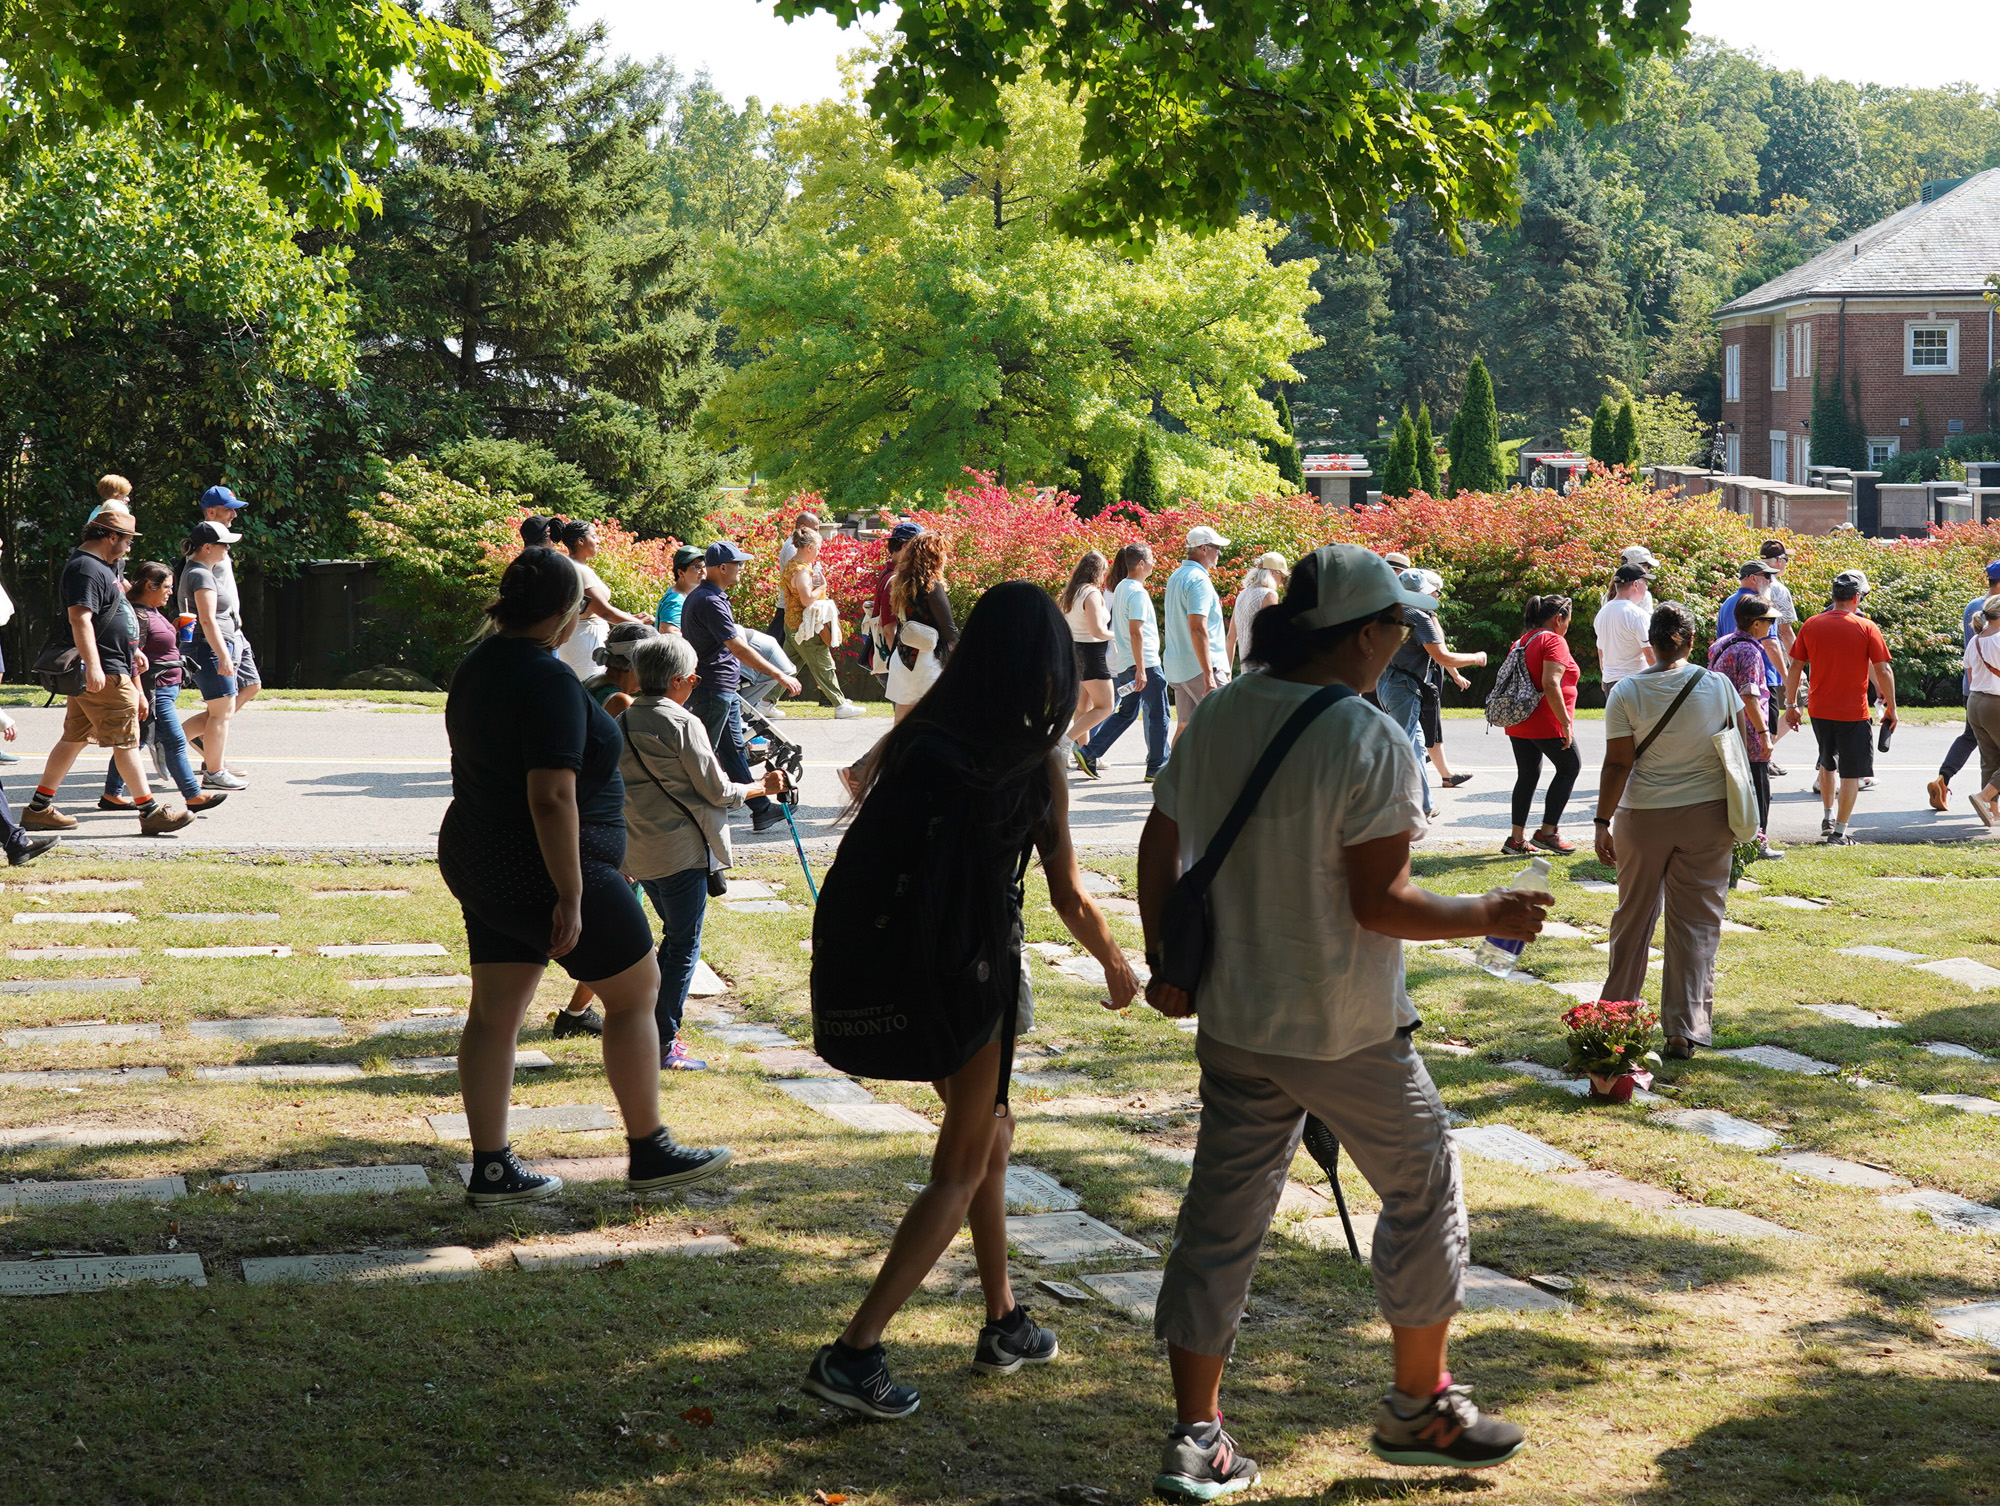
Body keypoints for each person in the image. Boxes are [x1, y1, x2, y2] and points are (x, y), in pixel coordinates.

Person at [1136, 545, 1544, 1494]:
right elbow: (1380, 902)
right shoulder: (1368, 735)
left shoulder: (1223, 709)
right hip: (1343, 1026)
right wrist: (1488, 912)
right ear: (1364, 635)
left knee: (1220, 1219)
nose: (1403, 641)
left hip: (1236, 1018)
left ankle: (1197, 1432)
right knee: (1424, 1185)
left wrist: (1166, 959)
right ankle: (1419, 1406)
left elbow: (1161, 841)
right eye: (1400, 626)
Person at [803, 582, 1140, 1420]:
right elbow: (1069, 895)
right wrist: (1115, 964)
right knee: (959, 1167)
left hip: (901, 963)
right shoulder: (1032, 760)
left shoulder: (919, 736)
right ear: (1048, 666)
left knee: (992, 1131)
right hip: (972, 976)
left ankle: (1003, 1319)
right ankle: (855, 1352)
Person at [438, 544, 731, 1205]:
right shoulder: (546, 679)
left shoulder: (480, 665)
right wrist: (571, 893)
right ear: (568, 614)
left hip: (481, 855)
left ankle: (492, 1169)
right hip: (544, 865)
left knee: (494, 1013)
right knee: (637, 993)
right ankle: (650, 1149)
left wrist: (599, 724)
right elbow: (550, 795)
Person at [622, 634, 788, 1071]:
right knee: (683, 945)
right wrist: (762, 787)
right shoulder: (682, 722)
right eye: (693, 677)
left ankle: (648, 1027)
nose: (696, 683)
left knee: (672, 937)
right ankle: (662, 1041)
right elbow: (717, 790)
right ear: (678, 680)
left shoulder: (621, 719)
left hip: (640, 850)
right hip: (681, 851)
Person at [1594, 602, 1744, 1058]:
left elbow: (1618, 763)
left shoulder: (1626, 691)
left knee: (1633, 918)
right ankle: (1684, 1029)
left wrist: (1601, 821)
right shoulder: (1719, 685)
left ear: (1652, 643)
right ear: (1692, 641)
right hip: (1708, 816)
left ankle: (1615, 1020)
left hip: (1642, 816)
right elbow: (1736, 747)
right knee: (1697, 923)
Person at [23, 514, 193, 836]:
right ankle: (150, 812)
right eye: (127, 541)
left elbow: (111, 613)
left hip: (110, 664)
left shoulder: (101, 567)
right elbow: (80, 619)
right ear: (111, 536)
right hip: (106, 671)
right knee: (127, 741)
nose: (128, 549)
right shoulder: (85, 568)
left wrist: (132, 648)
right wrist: (94, 665)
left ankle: (38, 809)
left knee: (73, 738)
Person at [682, 541, 801, 836]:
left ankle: (761, 809)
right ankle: (690, 815)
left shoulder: (708, 596)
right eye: (738, 564)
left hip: (723, 688)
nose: (741, 569)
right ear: (723, 568)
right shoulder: (709, 601)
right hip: (713, 688)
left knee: (733, 750)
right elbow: (738, 647)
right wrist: (779, 675)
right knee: (704, 754)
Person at [100, 561, 229, 816]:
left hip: (166, 687)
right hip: (154, 689)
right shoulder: (137, 616)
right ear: (150, 586)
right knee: (175, 742)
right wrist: (139, 693)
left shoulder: (152, 610)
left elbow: (158, 645)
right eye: (167, 587)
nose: (171, 592)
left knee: (135, 742)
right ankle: (193, 795)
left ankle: (111, 794)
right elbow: (132, 658)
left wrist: (175, 627)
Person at [1783, 569, 1894, 846]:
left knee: (1827, 762)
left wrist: (1791, 704)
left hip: (1819, 709)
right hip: (1853, 712)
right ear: (1856, 598)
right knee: (1852, 773)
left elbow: (1795, 666)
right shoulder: (1866, 627)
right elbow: (1883, 669)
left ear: (1833, 596)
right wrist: (1891, 707)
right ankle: (1839, 833)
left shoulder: (1811, 624)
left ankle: (1828, 815)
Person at [1376, 567, 1485, 818]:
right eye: (1430, 593)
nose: (1433, 597)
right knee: (1404, 749)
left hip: (1386, 684)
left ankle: (1424, 805)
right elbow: (1442, 655)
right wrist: (1476, 658)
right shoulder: (1418, 616)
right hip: (1404, 689)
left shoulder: (1388, 612)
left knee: (1415, 746)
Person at [177, 486, 260, 779]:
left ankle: (206, 745)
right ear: (211, 511)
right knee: (220, 708)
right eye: (228, 510)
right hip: (215, 637)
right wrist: (222, 653)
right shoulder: (203, 555)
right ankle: (183, 744)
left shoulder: (217, 545)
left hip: (233, 630)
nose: (234, 515)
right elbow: (203, 613)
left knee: (250, 686)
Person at [1080, 542, 1169, 783]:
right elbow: (1135, 631)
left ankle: (1089, 752)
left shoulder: (1120, 587)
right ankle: (1156, 767)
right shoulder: (1137, 592)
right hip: (1144, 664)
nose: (1154, 563)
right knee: (1159, 714)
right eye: (1151, 560)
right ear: (1141, 564)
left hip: (1126, 664)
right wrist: (1142, 669)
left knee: (1127, 713)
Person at [1502, 595, 1579, 856]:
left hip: (1519, 718)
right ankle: (1547, 833)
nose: (1567, 625)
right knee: (1570, 767)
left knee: (1527, 773)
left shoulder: (1522, 641)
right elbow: (1550, 682)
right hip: (1545, 720)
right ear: (1558, 619)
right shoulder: (1554, 640)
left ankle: (1516, 839)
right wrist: (1565, 723)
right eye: (1567, 620)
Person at [1708, 594, 1784, 859]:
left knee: (1730, 789)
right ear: (1755, 624)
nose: (1771, 626)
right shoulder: (1750, 652)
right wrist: (1764, 735)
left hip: (1722, 726)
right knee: (1758, 788)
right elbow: (1749, 696)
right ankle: (1757, 842)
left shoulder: (1721, 643)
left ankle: (1732, 842)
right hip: (1749, 732)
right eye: (1768, 621)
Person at [527, 517, 643, 679]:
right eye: (594, 536)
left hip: (583, 641)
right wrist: (642, 626)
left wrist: (632, 618)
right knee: (589, 687)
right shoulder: (578, 570)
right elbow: (605, 612)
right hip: (585, 645)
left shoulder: (575, 566)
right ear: (580, 541)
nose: (598, 541)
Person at [1928, 559, 2000, 812]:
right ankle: (1987, 797)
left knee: (1974, 739)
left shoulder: (1974, 607)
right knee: (1987, 747)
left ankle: (1944, 778)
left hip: (1973, 687)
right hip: (1994, 690)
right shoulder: (1996, 613)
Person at [781, 528, 864, 717]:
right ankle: (840, 705)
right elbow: (806, 600)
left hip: (792, 624)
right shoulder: (802, 571)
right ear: (809, 547)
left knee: (787, 667)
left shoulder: (792, 565)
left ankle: (766, 702)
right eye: (818, 548)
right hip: (806, 627)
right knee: (823, 663)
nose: (819, 552)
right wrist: (822, 587)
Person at [1162, 525, 1231, 745]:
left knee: (1185, 725)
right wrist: (1208, 674)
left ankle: (1174, 768)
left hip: (1178, 667)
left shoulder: (1176, 576)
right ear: (1204, 549)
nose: (1219, 552)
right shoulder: (1198, 580)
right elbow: (1198, 628)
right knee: (1228, 724)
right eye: (1216, 548)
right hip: (1199, 668)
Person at [885, 531, 956, 721]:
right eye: (943, 553)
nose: (946, 558)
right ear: (935, 556)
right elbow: (950, 631)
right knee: (937, 719)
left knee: (901, 719)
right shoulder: (932, 586)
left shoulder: (902, 583)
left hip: (903, 657)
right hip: (927, 659)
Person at [1061, 550, 1115, 775]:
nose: (1105, 575)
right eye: (1104, 571)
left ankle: (1086, 752)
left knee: (1083, 708)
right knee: (1106, 706)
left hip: (1076, 651)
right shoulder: (1091, 593)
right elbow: (1097, 631)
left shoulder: (1072, 592)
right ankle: (1065, 743)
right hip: (1092, 654)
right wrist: (1119, 636)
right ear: (1097, 571)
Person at [1756, 540, 1800, 771]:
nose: (1786, 564)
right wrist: (1796, 666)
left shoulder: (1748, 584)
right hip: (1772, 661)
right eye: (1785, 559)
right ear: (1778, 561)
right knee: (1797, 703)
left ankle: (1761, 752)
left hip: (1747, 657)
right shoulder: (1778, 589)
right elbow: (1785, 631)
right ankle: (1765, 752)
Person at [864, 522, 922, 693]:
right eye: (918, 547)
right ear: (905, 546)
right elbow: (890, 629)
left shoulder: (889, 573)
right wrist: (902, 665)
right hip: (893, 663)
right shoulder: (894, 580)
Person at [1594, 564, 1655, 687]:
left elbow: (1601, 652)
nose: (1646, 588)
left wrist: (1604, 678)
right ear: (1636, 584)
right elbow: (1650, 655)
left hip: (1609, 683)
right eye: (1645, 583)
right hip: (1634, 682)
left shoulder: (1601, 613)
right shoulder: (1638, 615)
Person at [1227, 552, 1287, 671]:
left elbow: (1230, 638)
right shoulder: (1269, 595)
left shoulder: (1242, 595)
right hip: (1264, 670)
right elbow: (1273, 637)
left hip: (1246, 672)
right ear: (1273, 572)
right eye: (1283, 577)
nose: (1281, 583)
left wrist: (1227, 672)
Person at [654, 546, 706, 633]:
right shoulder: (675, 600)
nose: (703, 571)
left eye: (704, 566)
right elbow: (669, 634)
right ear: (681, 573)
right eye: (697, 567)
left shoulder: (683, 595)